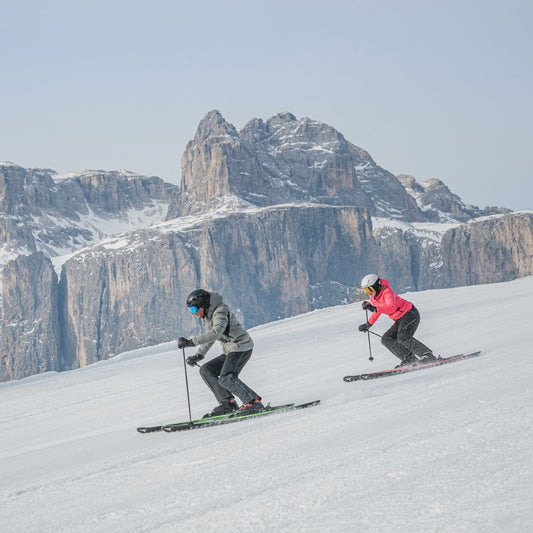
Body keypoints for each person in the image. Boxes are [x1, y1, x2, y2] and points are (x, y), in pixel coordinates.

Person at [177, 289, 264, 417]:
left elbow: (216, 332)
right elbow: (211, 337)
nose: (193, 314)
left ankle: (253, 402)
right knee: (206, 370)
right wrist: (199, 355)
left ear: (202, 305)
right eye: (190, 311)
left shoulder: (220, 311)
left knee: (226, 377)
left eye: (194, 310)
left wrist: (191, 342)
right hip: (231, 349)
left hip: (241, 347)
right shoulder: (207, 316)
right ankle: (227, 403)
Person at [357, 274, 436, 367]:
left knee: (403, 337)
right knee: (386, 339)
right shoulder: (374, 298)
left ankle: (427, 355)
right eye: (366, 290)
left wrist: (374, 308)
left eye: (369, 289)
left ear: (376, 286)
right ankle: (409, 359)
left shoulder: (387, 292)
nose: (368, 293)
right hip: (399, 319)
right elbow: (378, 310)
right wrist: (368, 324)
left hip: (410, 314)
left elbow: (391, 307)